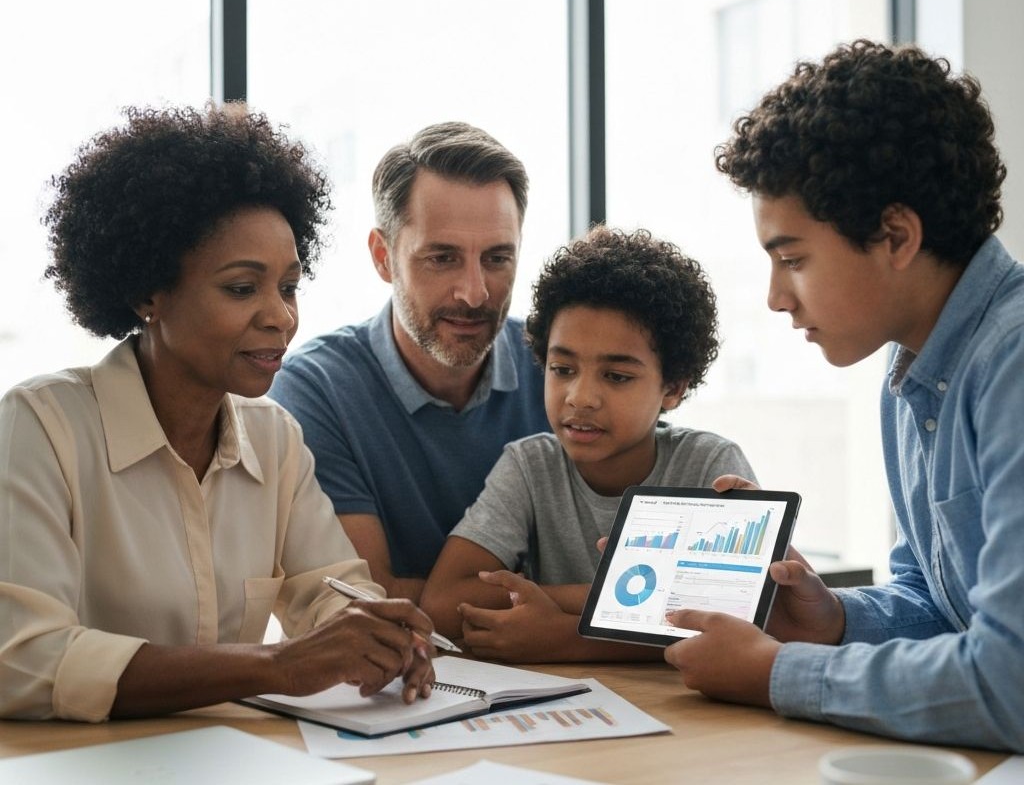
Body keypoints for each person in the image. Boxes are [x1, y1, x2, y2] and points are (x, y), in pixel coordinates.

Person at [0, 105, 436, 722]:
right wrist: (276, 666)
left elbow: (331, 590)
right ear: (148, 293)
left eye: (288, 286)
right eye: (241, 288)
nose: (280, 317)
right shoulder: (41, 427)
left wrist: (378, 636)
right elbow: (20, 660)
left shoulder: (275, 437)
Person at [663, 40, 1024, 753]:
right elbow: (940, 605)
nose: (775, 299)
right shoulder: (911, 376)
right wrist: (833, 621)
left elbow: (1012, 681)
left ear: (895, 235)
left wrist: (778, 673)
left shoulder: (1012, 364)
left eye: (793, 260)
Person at [420, 226, 756, 662]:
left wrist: (566, 636)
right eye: (562, 369)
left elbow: (736, 617)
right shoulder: (529, 466)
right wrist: (643, 600)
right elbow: (443, 604)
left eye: (616, 377)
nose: (580, 397)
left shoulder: (710, 465)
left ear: (672, 388)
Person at [269, 122, 549, 603]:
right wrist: (561, 611)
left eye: (498, 258)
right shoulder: (316, 389)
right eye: (443, 258)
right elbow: (369, 600)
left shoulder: (557, 369)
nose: (475, 292)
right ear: (383, 257)